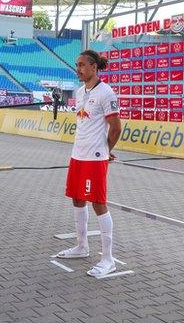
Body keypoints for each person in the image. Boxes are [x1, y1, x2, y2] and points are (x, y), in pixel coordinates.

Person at [56, 50, 122, 277]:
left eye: (82, 65)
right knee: (77, 198)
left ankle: (108, 259)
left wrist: (105, 150)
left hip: (94, 158)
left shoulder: (106, 93)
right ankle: (82, 247)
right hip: (78, 154)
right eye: (77, 65)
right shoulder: (80, 91)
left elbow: (116, 128)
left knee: (98, 203)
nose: (78, 69)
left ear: (94, 67)